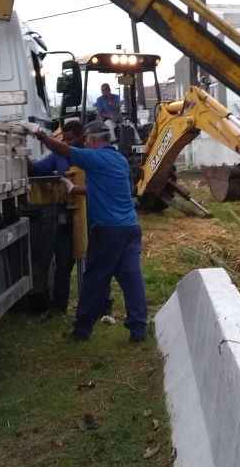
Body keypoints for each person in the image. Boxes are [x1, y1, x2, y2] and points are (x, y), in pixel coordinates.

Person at [36, 120, 147, 342]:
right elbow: (108, 189)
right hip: (130, 228)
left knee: (94, 279)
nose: (85, 144)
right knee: (131, 278)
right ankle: (138, 329)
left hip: (107, 231)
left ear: (94, 140)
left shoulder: (94, 158)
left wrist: (42, 137)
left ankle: (81, 331)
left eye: (87, 140)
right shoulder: (120, 160)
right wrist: (75, 188)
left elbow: (64, 150)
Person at [28, 120, 84, 313]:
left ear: (81, 137)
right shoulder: (58, 156)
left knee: (91, 262)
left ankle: (97, 305)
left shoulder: (88, 156)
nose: (67, 143)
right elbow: (35, 170)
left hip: (87, 217)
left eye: (71, 139)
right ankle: (59, 306)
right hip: (64, 218)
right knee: (63, 262)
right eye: (65, 139)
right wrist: (21, 157)